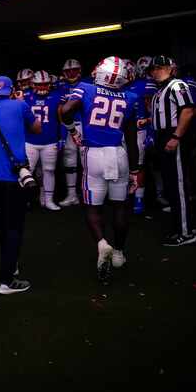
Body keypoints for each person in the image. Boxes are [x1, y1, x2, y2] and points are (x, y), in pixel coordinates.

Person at [60, 56, 144, 281]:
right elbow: (132, 138)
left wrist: (72, 131)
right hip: (119, 154)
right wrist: (135, 171)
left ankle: (101, 242)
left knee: (92, 207)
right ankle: (118, 252)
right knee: (120, 207)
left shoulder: (86, 89)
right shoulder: (131, 96)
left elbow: (65, 111)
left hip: (93, 154)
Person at [0, 75, 40, 294]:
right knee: (15, 226)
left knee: (2, 221)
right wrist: (24, 103)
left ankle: (9, 264)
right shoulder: (20, 104)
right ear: (12, 90)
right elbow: (37, 128)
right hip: (13, 175)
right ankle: (5, 280)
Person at [149, 55, 196, 246]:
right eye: (154, 68)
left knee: (178, 186)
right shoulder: (160, 90)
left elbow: (188, 111)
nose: (156, 71)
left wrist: (176, 136)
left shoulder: (177, 85)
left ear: (171, 68)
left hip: (173, 136)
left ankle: (186, 233)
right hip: (164, 137)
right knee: (172, 185)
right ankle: (182, 227)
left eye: (161, 67)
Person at [24, 70, 63, 211]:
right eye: (39, 85)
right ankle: (23, 201)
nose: (42, 87)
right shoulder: (25, 97)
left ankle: (49, 201)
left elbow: (61, 119)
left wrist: (62, 138)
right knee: (27, 172)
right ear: (33, 84)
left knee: (49, 171)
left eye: (45, 84)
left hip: (50, 141)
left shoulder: (56, 96)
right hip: (30, 141)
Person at [125, 56, 157, 214]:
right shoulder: (114, 87)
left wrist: (151, 131)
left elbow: (154, 111)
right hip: (120, 132)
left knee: (138, 165)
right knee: (120, 164)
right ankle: (123, 196)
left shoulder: (145, 85)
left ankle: (139, 197)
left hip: (138, 131)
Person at [57, 59, 84, 207]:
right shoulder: (62, 87)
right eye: (68, 71)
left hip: (85, 126)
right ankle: (72, 194)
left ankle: (88, 193)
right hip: (69, 126)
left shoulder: (87, 84)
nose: (71, 73)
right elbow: (60, 110)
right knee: (70, 159)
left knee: (87, 160)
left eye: (74, 70)